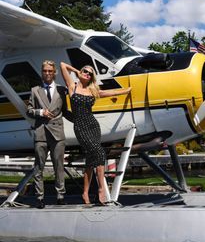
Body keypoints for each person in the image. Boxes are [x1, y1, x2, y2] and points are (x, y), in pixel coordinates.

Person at [60, 61, 131, 205]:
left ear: (92, 77)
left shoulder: (93, 90)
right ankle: (101, 190)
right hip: (80, 126)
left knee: (90, 161)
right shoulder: (72, 86)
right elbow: (62, 65)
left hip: (93, 126)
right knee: (99, 153)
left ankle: (85, 192)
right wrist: (77, 71)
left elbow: (111, 92)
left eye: (90, 73)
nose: (86, 74)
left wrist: (127, 90)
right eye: (84, 71)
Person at [27, 60, 72, 209]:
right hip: (41, 133)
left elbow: (65, 111)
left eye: (50, 71)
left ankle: (60, 196)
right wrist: (40, 112)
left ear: (54, 73)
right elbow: (29, 110)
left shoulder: (61, 90)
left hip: (57, 134)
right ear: (42, 72)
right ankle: (39, 197)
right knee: (38, 167)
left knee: (59, 166)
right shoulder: (35, 90)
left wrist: (80, 118)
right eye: (45, 71)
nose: (47, 73)